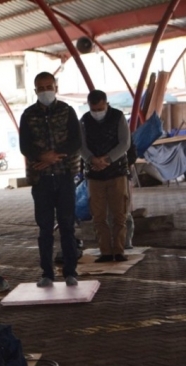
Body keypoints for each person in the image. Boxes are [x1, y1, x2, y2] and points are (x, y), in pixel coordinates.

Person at [19, 72, 81, 287]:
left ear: (56, 87)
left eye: (49, 86)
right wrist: (41, 157)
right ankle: (47, 273)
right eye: (41, 87)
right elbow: (24, 146)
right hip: (41, 180)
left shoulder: (67, 111)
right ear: (35, 90)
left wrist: (54, 155)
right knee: (44, 228)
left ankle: (70, 272)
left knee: (67, 226)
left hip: (64, 176)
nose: (46, 90)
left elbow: (76, 141)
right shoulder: (28, 115)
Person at [80, 90, 131, 263]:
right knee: (98, 216)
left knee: (119, 215)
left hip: (117, 172)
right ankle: (106, 252)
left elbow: (125, 143)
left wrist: (107, 159)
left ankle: (119, 250)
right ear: (89, 106)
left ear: (106, 104)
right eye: (94, 109)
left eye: (100, 108)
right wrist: (92, 159)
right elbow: (81, 145)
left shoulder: (118, 117)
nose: (97, 112)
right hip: (94, 174)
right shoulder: (85, 120)